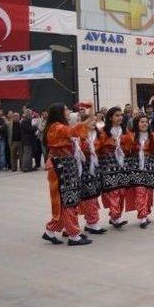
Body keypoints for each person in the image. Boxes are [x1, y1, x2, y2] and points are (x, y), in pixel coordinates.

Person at [41, 103, 93, 246]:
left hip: (64, 166)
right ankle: (73, 235)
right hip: (60, 167)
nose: (69, 112)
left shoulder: (56, 127)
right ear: (60, 113)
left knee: (66, 201)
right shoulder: (57, 127)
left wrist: (90, 114)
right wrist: (86, 120)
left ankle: (51, 231)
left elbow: (76, 131)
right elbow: (72, 131)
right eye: (66, 110)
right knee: (68, 200)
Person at [98, 107, 132, 229]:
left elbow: (129, 145)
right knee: (113, 191)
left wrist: (122, 144)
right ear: (110, 117)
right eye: (117, 115)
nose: (120, 117)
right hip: (108, 164)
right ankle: (116, 216)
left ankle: (115, 216)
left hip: (122, 164)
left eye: (120, 115)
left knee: (121, 191)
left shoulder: (125, 130)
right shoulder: (103, 131)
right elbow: (99, 147)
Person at [125, 114, 154, 229]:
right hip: (136, 168)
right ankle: (142, 217)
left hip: (150, 167)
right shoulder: (132, 137)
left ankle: (146, 212)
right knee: (140, 191)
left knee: (149, 194)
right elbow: (128, 152)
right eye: (141, 122)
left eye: (146, 122)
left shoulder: (153, 137)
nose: (144, 124)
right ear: (137, 124)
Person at [75, 111, 106, 235]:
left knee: (93, 195)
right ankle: (93, 222)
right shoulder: (80, 136)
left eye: (94, 120)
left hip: (95, 168)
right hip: (84, 168)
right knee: (89, 195)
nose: (93, 122)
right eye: (90, 120)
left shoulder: (99, 135)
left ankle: (90, 222)